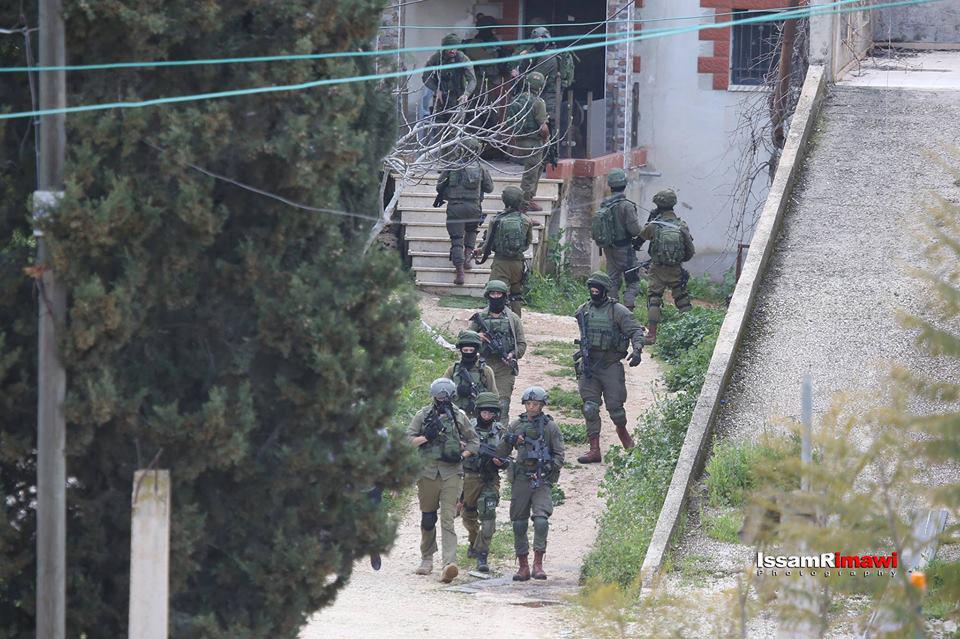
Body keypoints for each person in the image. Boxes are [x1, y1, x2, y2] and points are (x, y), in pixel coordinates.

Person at [407, 378, 479, 582]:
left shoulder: (459, 416)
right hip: (427, 472)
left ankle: (449, 563)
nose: (442, 400)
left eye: (445, 397)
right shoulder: (423, 415)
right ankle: (427, 558)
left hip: (452, 472)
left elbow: (474, 441)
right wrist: (426, 437)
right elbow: (407, 440)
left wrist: (462, 456)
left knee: (448, 518)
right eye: (438, 397)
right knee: (428, 518)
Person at [573, 272, 646, 464]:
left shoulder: (618, 311)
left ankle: (624, 435)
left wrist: (637, 350)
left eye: (598, 288)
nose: (594, 291)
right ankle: (594, 449)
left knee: (616, 410)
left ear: (605, 290)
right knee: (589, 408)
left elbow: (636, 331)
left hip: (611, 365)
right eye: (591, 287)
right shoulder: (583, 310)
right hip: (589, 365)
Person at [496, 386, 564, 581]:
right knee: (519, 523)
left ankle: (538, 564)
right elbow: (501, 453)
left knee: (541, 521)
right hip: (521, 477)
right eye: (529, 404)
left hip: (541, 479)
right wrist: (509, 440)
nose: (532, 407)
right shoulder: (516, 425)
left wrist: (549, 467)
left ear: (542, 406)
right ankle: (523, 565)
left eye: (535, 404)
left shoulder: (550, 427)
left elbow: (559, 454)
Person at [637, 189, 696, 345]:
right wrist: (678, 261)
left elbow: (638, 241)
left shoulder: (654, 226)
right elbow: (690, 252)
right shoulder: (682, 225)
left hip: (657, 269)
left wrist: (650, 221)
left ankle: (651, 335)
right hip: (676, 269)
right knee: (682, 300)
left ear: (658, 205)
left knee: (654, 299)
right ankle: (690, 334)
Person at [514, 26, 575, 174]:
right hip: (545, 96)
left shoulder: (547, 57)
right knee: (543, 127)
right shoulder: (543, 54)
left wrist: (519, 75)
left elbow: (534, 79)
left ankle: (547, 161)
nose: (537, 44)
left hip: (548, 97)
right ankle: (543, 161)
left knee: (546, 128)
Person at [461, 391, 508, 573]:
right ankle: (473, 540)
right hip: (470, 478)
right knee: (468, 517)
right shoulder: (468, 428)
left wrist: (501, 462)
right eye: (484, 412)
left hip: (490, 479)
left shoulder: (500, 431)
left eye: (491, 413)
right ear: (478, 411)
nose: (487, 416)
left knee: (488, 519)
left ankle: (482, 555)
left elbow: (507, 457)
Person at [436, 137, 494, 284]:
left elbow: (439, 186)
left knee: (457, 241)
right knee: (472, 231)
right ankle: (468, 259)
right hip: (474, 208)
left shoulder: (452, 166)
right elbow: (489, 188)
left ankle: (460, 273)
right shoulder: (481, 168)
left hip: (455, 208)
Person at [469, 279, 527, 419]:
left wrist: (512, 354)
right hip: (482, 367)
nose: (495, 297)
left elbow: (521, 344)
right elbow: (465, 341)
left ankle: (500, 432)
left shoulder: (513, 319)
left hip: (504, 369)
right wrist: (477, 337)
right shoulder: (481, 317)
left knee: (502, 406)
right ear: (488, 295)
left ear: (504, 296)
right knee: (480, 406)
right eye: (493, 293)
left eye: (498, 294)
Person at [473, 186, 534, 316]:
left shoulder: (496, 220)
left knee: (495, 293)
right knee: (516, 295)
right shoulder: (526, 220)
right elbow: (528, 243)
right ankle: (516, 321)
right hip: (518, 264)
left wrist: (480, 251)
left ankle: (494, 320)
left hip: (500, 263)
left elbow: (488, 244)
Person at [590, 168, 644, 310]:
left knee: (612, 280)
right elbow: (635, 231)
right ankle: (627, 308)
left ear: (610, 185)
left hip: (608, 248)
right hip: (624, 249)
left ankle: (612, 309)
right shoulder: (626, 206)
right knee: (633, 281)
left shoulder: (605, 204)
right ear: (625, 185)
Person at [505, 72, 549, 211]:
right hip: (533, 142)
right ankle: (525, 204)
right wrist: (546, 139)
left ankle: (529, 199)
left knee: (535, 169)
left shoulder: (516, 99)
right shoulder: (538, 102)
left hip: (519, 140)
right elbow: (543, 128)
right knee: (531, 174)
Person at [422, 33, 477, 121]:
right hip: (441, 98)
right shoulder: (436, 58)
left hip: (458, 97)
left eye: (455, 48)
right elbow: (425, 77)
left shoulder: (462, 58)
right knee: (438, 124)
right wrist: (436, 90)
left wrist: (466, 94)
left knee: (457, 124)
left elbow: (472, 80)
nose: (452, 51)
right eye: (450, 48)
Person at [443, 330, 498, 418]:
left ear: (476, 350)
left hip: (478, 417)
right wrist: (457, 390)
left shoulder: (485, 371)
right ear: (461, 350)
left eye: (471, 350)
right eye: (465, 350)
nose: (468, 353)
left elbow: (494, 397)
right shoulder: (452, 370)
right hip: (455, 416)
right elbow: (441, 391)